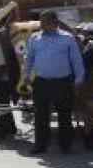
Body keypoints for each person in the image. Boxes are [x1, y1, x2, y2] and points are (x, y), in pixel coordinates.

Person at [22, 11, 85, 154]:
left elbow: (76, 61)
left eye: (45, 22)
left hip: (62, 82)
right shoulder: (34, 38)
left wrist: (79, 79)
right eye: (41, 22)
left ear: (55, 22)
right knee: (40, 115)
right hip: (41, 82)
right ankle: (40, 145)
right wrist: (25, 76)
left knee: (64, 115)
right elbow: (29, 59)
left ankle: (66, 146)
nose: (42, 25)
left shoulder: (67, 38)